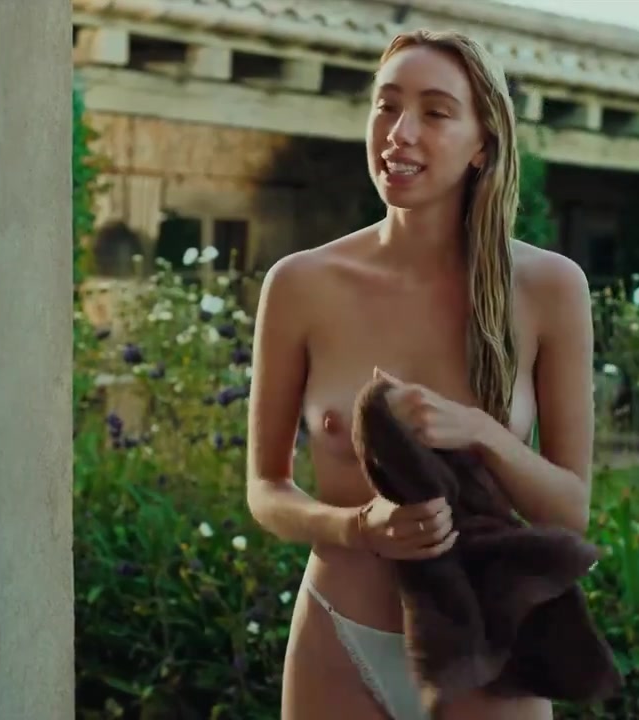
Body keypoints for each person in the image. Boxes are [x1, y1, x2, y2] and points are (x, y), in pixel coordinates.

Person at [244, 28, 597, 720]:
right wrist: (357, 527)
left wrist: (482, 433)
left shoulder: (550, 288)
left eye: (435, 112)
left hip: (490, 650)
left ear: (482, 145)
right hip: (337, 637)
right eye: (386, 105)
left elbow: (570, 509)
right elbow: (266, 490)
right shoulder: (300, 284)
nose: (400, 132)